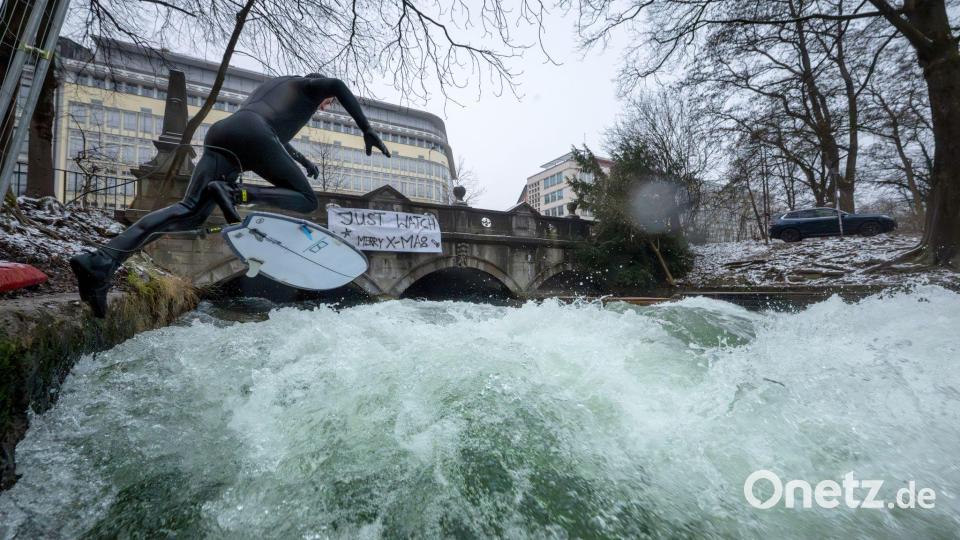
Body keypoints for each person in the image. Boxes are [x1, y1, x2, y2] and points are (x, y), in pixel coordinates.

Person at [70, 74, 391, 318]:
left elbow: (272, 133)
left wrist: (303, 161)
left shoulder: (275, 87)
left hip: (224, 134)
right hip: (252, 138)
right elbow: (336, 84)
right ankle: (237, 193)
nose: (326, 105)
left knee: (189, 212)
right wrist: (366, 128)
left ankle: (102, 262)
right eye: (328, 103)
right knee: (307, 201)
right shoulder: (310, 87)